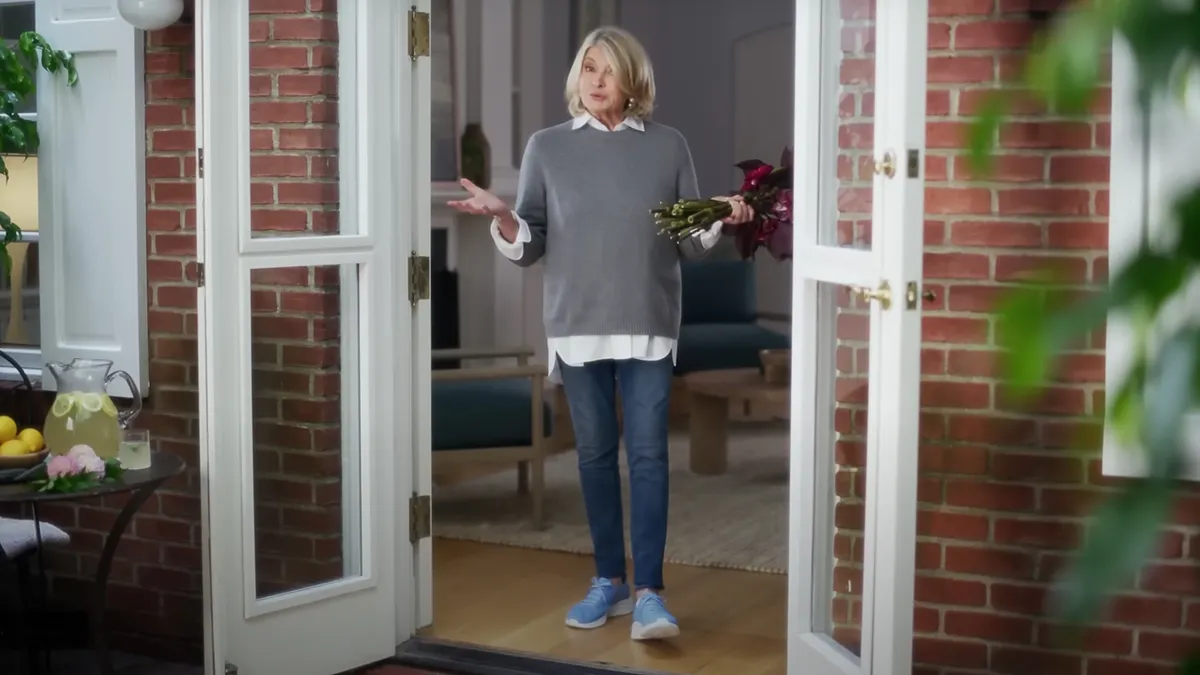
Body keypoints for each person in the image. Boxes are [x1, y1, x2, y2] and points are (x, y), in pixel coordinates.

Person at [447, 26, 753, 641]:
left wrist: (721, 213)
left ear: (631, 80)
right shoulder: (548, 148)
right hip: (576, 324)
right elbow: (531, 243)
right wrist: (505, 216)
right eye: (587, 68)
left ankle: (650, 595)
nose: (595, 80)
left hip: (648, 322)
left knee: (647, 456)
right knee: (592, 455)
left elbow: (688, 242)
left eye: (608, 70)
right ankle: (608, 580)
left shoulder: (668, 147)